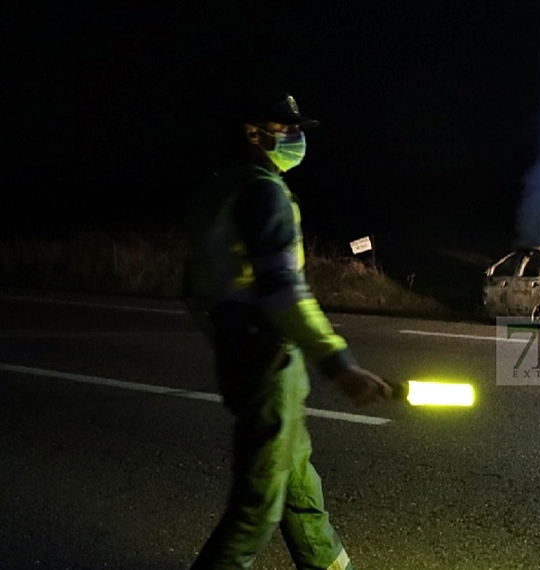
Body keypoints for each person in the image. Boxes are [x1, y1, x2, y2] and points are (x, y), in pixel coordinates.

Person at [183, 90, 392, 570]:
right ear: (252, 133)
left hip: (243, 352)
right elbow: (283, 291)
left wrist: (227, 340)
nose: (296, 137)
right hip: (268, 358)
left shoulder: (214, 193)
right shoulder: (265, 192)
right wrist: (340, 365)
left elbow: (194, 290)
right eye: (285, 128)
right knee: (256, 508)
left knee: (299, 483)